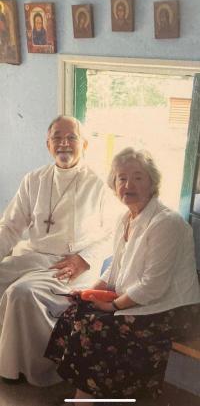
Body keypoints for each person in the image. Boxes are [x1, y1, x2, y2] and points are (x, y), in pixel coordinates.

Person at [45, 147, 200, 404]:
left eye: (138, 177)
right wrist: (87, 292)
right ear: (114, 184)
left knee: (96, 328)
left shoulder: (166, 223)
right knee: (75, 312)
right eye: (121, 178)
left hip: (174, 309)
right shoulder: (124, 219)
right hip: (139, 300)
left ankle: (86, 397)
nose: (128, 184)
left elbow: (153, 287)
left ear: (152, 183)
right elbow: (113, 269)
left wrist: (112, 305)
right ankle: (90, 392)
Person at [0, 116, 117, 386]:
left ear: (84, 144)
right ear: (48, 144)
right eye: (57, 137)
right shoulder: (34, 180)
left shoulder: (100, 183)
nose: (64, 143)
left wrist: (84, 259)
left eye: (72, 137)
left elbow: (116, 233)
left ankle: (22, 369)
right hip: (32, 255)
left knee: (21, 293)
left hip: (71, 265)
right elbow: (10, 226)